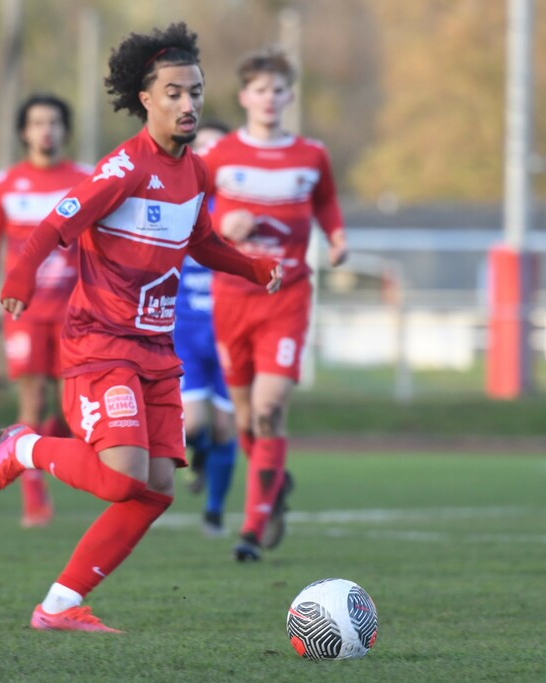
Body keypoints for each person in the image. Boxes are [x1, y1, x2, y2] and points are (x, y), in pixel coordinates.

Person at [0, 22, 282, 632]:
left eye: (195, 91)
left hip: (156, 349)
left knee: (155, 488)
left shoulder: (196, 172)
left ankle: (58, 606)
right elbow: (56, 225)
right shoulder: (123, 168)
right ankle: (22, 447)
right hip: (99, 343)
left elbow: (202, 241)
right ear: (146, 98)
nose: (188, 104)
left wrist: (252, 268)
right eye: (173, 93)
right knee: (122, 477)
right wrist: (19, 281)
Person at [201, 46, 348, 562]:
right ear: (244, 96)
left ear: (290, 96)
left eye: (278, 89)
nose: (269, 98)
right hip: (233, 298)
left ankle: (252, 527)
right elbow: (192, 218)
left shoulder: (311, 155)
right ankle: (274, 483)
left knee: (269, 409)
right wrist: (223, 227)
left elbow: (326, 200)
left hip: (286, 296)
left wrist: (336, 237)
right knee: (244, 418)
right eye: (260, 89)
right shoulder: (219, 157)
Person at [0, 94, 91, 528]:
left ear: (65, 130)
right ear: (24, 132)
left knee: (72, 416)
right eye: (37, 123)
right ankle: (34, 501)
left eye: (53, 122)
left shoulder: (86, 179)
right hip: (26, 313)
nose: (45, 130)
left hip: (77, 312)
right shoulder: (3, 184)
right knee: (32, 402)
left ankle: (18, 453)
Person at [174, 120, 238, 538]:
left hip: (233, 331)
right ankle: (197, 456)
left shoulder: (243, 209)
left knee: (224, 427)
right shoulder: (178, 204)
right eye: (205, 149)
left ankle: (215, 510)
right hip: (187, 331)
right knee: (194, 426)